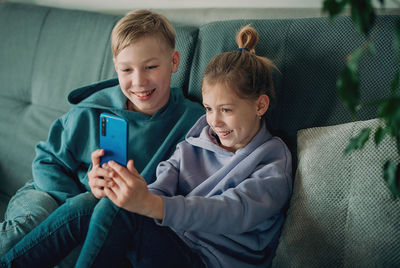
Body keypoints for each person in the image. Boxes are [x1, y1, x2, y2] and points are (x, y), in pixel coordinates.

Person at [0, 25, 292, 268]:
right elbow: (166, 176)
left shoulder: (272, 161)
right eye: (208, 109)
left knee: (119, 207)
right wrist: (136, 191)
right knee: (95, 203)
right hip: (170, 239)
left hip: (210, 260)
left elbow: (231, 212)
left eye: (226, 110)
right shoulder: (199, 134)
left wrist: (151, 204)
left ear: (260, 105)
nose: (214, 121)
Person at [0, 9, 204, 258]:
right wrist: (85, 192)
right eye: (126, 70)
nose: (139, 81)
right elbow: (46, 161)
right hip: (51, 194)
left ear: (174, 62)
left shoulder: (192, 121)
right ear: (116, 67)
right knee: (28, 228)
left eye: (150, 67)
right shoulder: (91, 111)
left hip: (114, 214)